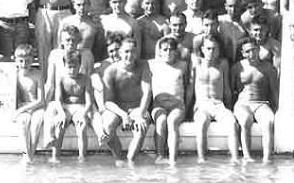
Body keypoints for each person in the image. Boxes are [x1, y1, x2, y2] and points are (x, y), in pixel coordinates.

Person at [99, 38, 153, 164]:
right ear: (120, 53)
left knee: (141, 126)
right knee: (107, 126)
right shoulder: (111, 71)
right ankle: (118, 158)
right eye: (126, 52)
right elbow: (107, 102)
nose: (130, 55)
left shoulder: (144, 65)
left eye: (133, 52)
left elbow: (147, 92)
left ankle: (130, 161)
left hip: (137, 107)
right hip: (117, 108)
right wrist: (123, 115)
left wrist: (140, 114)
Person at [191, 35, 238, 162]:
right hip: (202, 104)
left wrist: (229, 108)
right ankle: (202, 159)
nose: (211, 52)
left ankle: (235, 159)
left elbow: (227, 88)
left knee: (232, 123)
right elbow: (190, 89)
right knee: (201, 123)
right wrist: (187, 109)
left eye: (214, 49)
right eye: (208, 48)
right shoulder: (196, 63)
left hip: (218, 104)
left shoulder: (223, 64)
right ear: (202, 49)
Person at [44, 50, 94, 163]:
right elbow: (58, 99)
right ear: (64, 66)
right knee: (60, 126)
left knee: (82, 128)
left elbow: (89, 102)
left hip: (80, 107)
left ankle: (82, 157)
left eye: (75, 67)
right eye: (69, 67)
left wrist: (84, 114)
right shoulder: (61, 78)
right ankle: (55, 156)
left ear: (80, 65)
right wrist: (61, 113)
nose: (72, 70)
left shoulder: (85, 79)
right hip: (66, 107)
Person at [232, 38, 278, 163]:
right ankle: (247, 156)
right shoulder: (237, 67)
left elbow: (274, 91)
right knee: (246, 119)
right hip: (242, 103)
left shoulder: (268, 68)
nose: (251, 54)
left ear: (258, 49)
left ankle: (267, 158)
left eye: (253, 50)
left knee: (269, 121)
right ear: (243, 53)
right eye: (247, 51)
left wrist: (276, 108)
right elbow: (231, 90)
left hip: (261, 103)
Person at [148, 36, 190, 165]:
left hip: (177, 106)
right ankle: (160, 155)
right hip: (158, 105)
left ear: (176, 51)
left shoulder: (182, 65)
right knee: (161, 120)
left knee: (172, 122)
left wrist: (187, 108)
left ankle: (173, 159)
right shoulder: (152, 64)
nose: (167, 52)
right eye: (164, 49)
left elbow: (187, 86)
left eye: (171, 50)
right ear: (159, 51)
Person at [13, 44, 45, 164]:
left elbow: (41, 100)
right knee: (23, 121)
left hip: (37, 106)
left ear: (32, 60)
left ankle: (30, 156)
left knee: (36, 122)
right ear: (16, 60)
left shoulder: (38, 74)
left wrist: (21, 110)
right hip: (23, 106)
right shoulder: (15, 75)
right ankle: (26, 155)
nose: (24, 64)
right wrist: (20, 110)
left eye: (27, 61)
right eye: (21, 61)